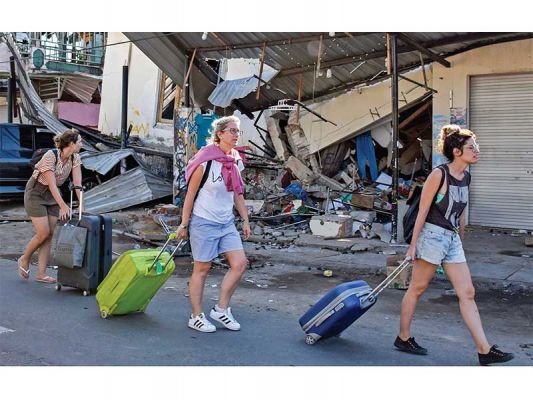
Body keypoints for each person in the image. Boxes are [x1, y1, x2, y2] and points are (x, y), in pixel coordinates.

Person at [394, 124, 514, 366]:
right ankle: (403, 337)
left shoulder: (466, 176)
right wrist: (412, 246)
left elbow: (460, 211)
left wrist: (460, 237)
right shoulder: (439, 175)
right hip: (432, 236)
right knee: (417, 288)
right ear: (457, 152)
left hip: (451, 239)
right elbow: (422, 211)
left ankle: (484, 350)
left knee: (467, 292)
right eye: (471, 147)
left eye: (476, 146)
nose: (477, 150)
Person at [176, 116, 250, 333]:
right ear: (220, 134)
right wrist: (184, 224)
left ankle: (221, 309)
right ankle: (196, 316)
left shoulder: (235, 160)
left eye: (238, 131)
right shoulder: (205, 161)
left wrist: (245, 219)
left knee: (240, 264)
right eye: (232, 131)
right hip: (204, 222)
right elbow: (190, 195)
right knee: (202, 269)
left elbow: (237, 193)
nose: (236, 135)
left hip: (226, 223)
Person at [18, 129, 83, 284]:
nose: (82, 144)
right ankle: (24, 258)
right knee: (43, 232)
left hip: (53, 196)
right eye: (80, 141)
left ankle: (41, 274)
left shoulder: (75, 157)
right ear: (71, 143)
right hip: (36, 193)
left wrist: (82, 206)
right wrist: (63, 206)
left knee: (50, 234)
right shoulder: (50, 156)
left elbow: (77, 183)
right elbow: (52, 184)